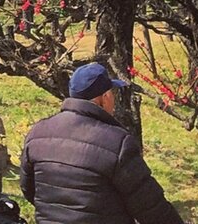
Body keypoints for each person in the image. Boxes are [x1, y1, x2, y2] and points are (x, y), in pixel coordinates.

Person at [20, 60, 184, 224]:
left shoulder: (37, 133)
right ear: (104, 97)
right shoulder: (117, 144)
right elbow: (151, 208)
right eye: (112, 93)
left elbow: (29, 189)